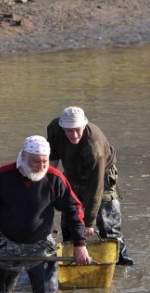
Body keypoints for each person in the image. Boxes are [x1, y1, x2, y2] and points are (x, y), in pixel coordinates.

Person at [0, 135, 90, 293]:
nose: (41, 166)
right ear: (24, 157)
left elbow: (74, 210)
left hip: (41, 246)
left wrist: (80, 244)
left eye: (45, 161)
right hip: (7, 245)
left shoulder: (54, 178)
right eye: (36, 162)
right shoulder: (2, 176)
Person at [46, 106, 133, 265]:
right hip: (72, 173)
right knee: (69, 224)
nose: (74, 135)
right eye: (69, 131)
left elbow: (96, 186)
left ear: (84, 125)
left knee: (109, 228)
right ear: (62, 127)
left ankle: (123, 266)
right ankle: (72, 262)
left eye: (78, 130)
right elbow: (51, 160)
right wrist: (46, 188)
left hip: (102, 176)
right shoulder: (54, 129)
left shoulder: (94, 145)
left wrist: (88, 222)